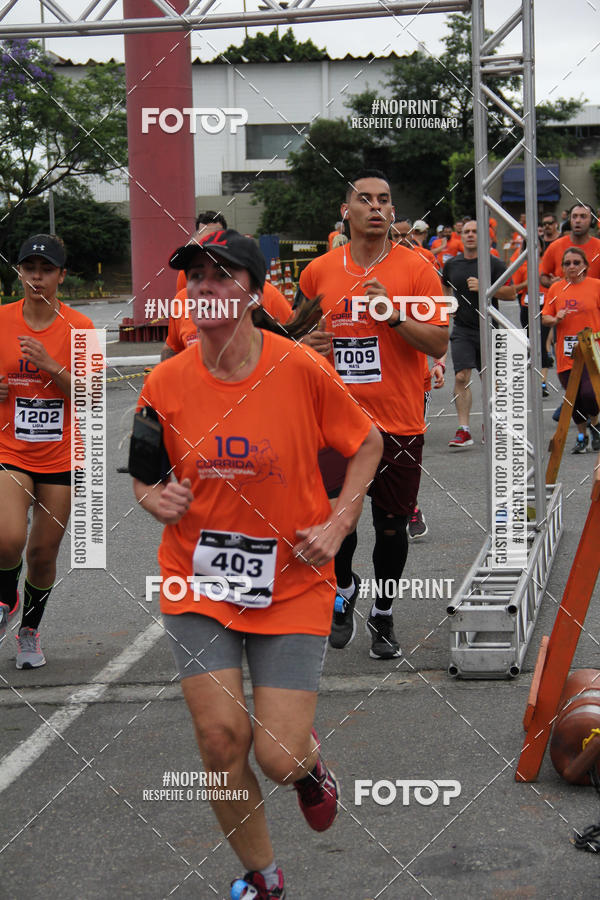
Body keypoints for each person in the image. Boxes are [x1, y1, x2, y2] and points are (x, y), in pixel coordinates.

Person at [131, 229, 382, 899]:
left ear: (250, 291)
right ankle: (263, 878)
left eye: (221, 276)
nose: (206, 287)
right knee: (220, 738)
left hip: (293, 582)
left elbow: (367, 442)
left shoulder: (298, 368)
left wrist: (341, 519)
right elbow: (144, 472)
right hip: (198, 579)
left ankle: (307, 768)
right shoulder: (165, 379)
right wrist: (154, 496)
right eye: (196, 277)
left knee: (275, 753)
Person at [297, 169, 448, 659]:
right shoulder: (318, 271)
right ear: (347, 211)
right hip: (336, 422)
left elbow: (440, 340)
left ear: (393, 212)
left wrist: (396, 316)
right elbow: (290, 339)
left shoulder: (418, 269)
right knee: (339, 521)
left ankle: (383, 613)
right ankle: (342, 590)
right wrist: (304, 342)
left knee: (391, 527)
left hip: (399, 421)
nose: (377, 207)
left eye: (385, 200)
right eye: (366, 200)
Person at [0, 234, 98, 668]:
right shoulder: (1, 320)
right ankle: (5, 600)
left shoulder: (81, 328)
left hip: (60, 455)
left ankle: (30, 632)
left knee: (42, 554)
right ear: (19, 271)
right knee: (8, 539)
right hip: (10, 449)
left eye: (45, 270)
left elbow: (91, 395)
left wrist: (51, 365)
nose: (36, 277)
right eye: (29, 268)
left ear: (62, 275)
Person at [443, 220, 516, 448]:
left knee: (490, 381)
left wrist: (487, 288)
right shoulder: (452, 264)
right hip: (462, 330)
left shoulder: (493, 264)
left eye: (475, 231)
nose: (471, 235)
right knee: (461, 377)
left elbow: (511, 293)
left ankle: (492, 425)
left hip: (489, 328)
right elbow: (444, 286)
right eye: (466, 232)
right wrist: (448, 304)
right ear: (460, 236)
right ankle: (463, 430)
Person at [541, 247, 600, 453]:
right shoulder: (556, 289)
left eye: (576, 262)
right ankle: (583, 436)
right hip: (566, 354)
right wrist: (556, 319)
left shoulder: (596, 286)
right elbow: (545, 317)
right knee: (573, 398)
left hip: (592, 352)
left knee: (589, 394)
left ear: (585, 265)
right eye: (567, 263)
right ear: (562, 267)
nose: (572, 266)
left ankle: (595, 424)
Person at [512, 237, 553, 397]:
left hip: (546, 307)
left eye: (537, 246)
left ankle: (542, 382)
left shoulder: (548, 265)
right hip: (527, 308)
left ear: (542, 248)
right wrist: (527, 283)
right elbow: (514, 289)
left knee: (541, 343)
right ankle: (537, 379)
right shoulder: (521, 266)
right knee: (533, 345)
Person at [541, 203, 600, 286]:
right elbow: (543, 276)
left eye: (583, 216)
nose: (578, 220)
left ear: (592, 221)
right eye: (574, 216)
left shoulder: (598, 246)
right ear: (570, 220)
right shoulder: (555, 246)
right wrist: (552, 283)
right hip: (563, 298)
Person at [175, 211, 228, 293]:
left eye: (215, 234)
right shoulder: (186, 271)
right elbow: (183, 301)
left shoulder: (240, 267)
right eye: (204, 234)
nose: (210, 239)